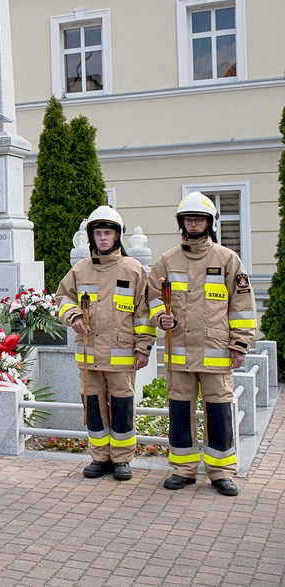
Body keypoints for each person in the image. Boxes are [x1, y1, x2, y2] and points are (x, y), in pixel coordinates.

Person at [149, 191, 257, 497]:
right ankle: (182, 469)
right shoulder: (167, 261)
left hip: (217, 354)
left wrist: (239, 344)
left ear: (209, 223)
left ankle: (220, 472)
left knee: (219, 413)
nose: (194, 223)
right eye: (189, 218)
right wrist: (160, 318)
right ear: (181, 222)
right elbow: (152, 298)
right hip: (179, 355)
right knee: (180, 412)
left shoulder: (227, 260)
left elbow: (243, 306)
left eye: (199, 219)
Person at [55, 206, 154, 482]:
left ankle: (122, 460)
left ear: (117, 236)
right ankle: (99, 457)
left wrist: (143, 347)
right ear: (91, 237)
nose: (102, 238)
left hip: (122, 356)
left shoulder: (133, 270)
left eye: (107, 233)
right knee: (94, 407)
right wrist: (72, 315)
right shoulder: (80, 269)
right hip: (89, 354)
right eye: (98, 233)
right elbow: (62, 298)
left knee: (122, 407)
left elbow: (144, 313)